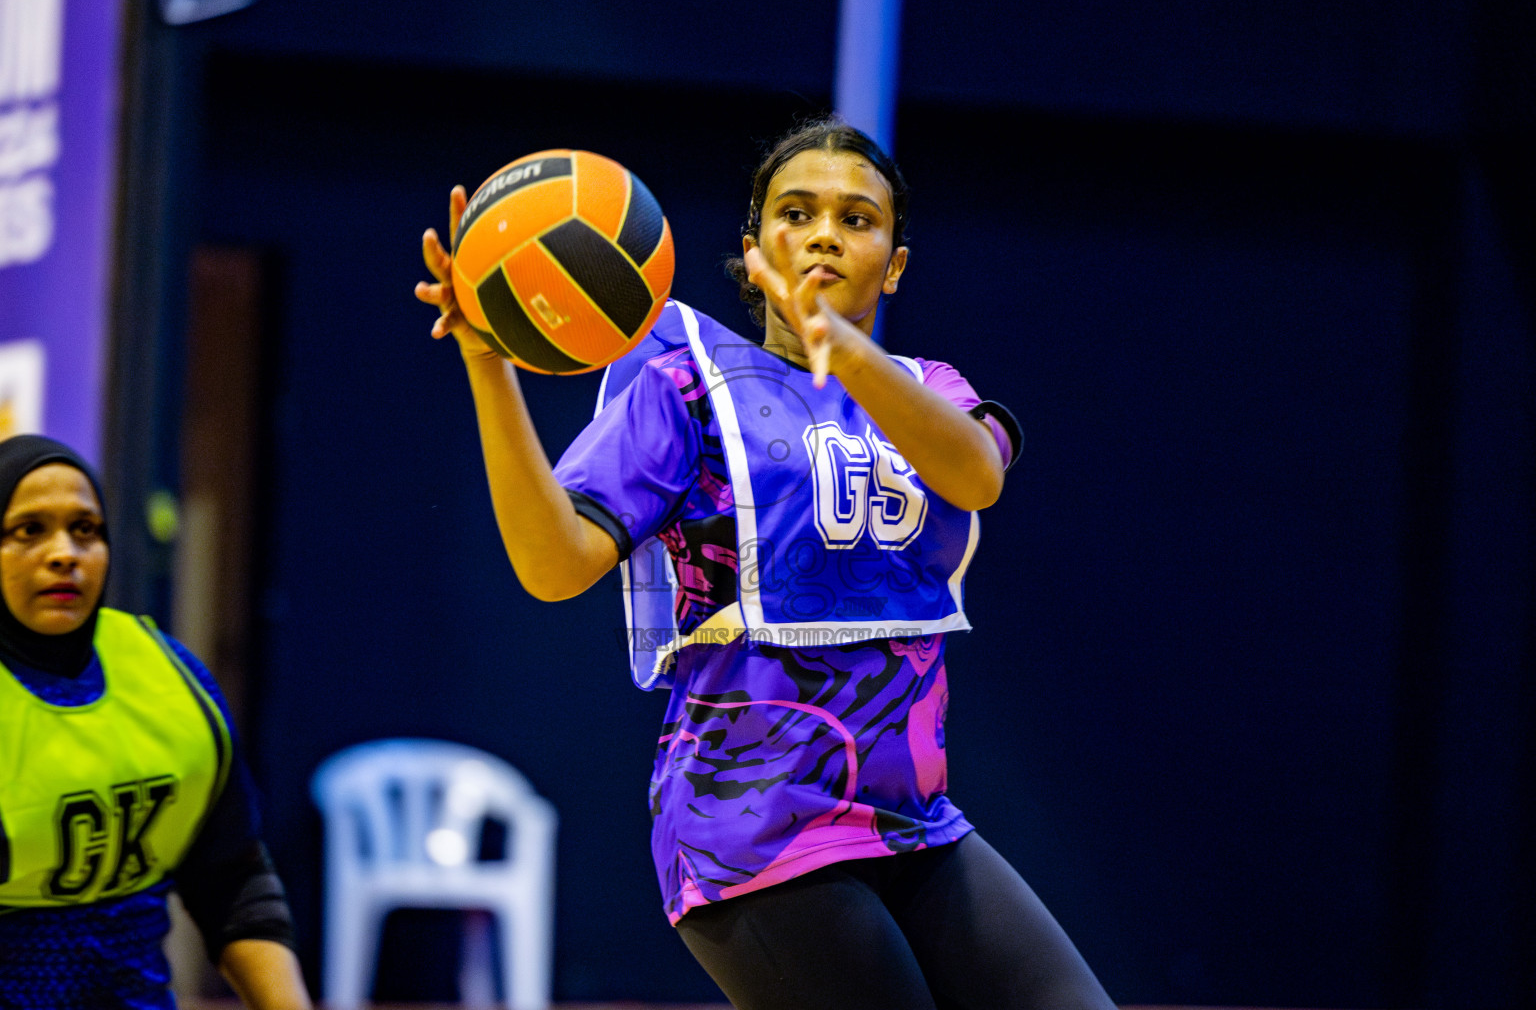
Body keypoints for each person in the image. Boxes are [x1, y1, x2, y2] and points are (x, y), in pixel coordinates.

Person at [415, 118, 1115, 1010]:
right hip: (751, 829)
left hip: (913, 824)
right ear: (754, 250)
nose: (825, 233)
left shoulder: (931, 391)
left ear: (894, 265)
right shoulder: (685, 385)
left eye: (857, 220)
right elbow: (554, 565)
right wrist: (488, 365)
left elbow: (975, 476)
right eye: (797, 212)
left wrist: (839, 347)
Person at [0, 435, 311, 1010]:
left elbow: (232, 879)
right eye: (29, 531)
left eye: (85, 529)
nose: (64, 552)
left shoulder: (168, 673)